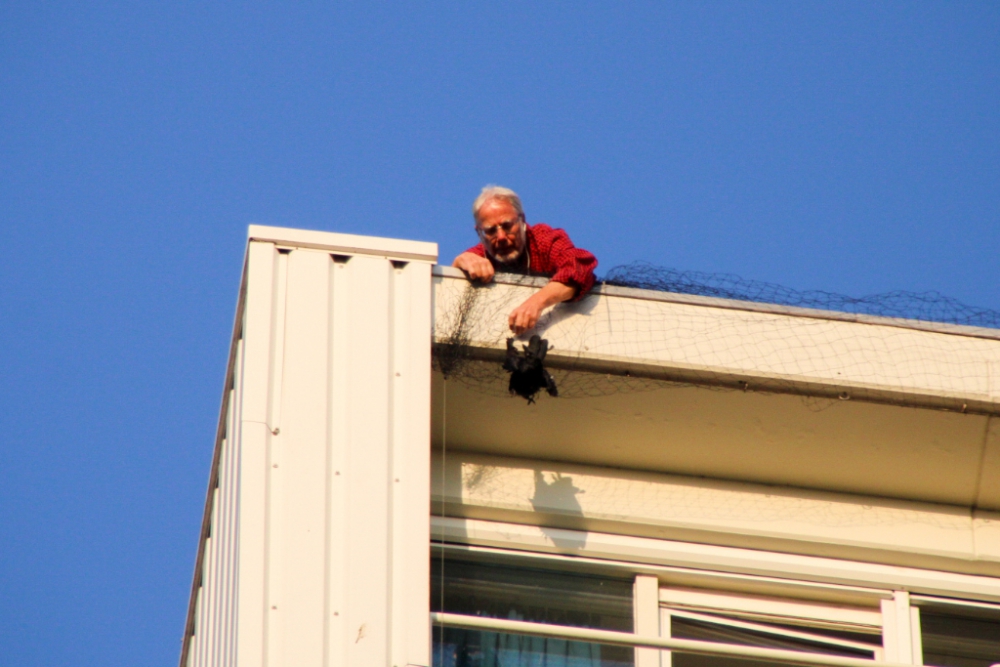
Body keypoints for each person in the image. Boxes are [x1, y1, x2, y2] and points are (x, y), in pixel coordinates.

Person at [453, 185, 598, 334]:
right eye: (490, 231)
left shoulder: (543, 240)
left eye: (507, 226)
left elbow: (578, 265)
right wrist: (460, 262)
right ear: (479, 232)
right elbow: (451, 291)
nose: (501, 237)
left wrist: (536, 303)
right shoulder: (478, 255)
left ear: (522, 220)